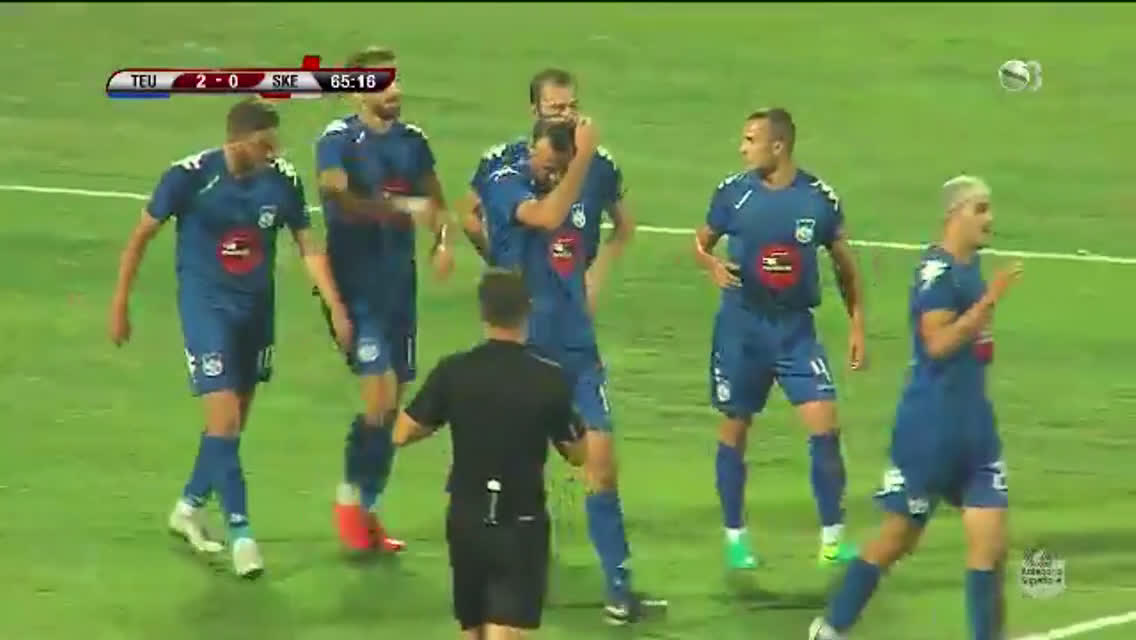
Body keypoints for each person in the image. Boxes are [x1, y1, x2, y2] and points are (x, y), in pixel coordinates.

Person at [108, 98, 352, 578]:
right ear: (238, 141)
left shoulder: (281, 180)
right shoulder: (190, 176)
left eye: (275, 145)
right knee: (223, 421)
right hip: (207, 311)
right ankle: (242, 533)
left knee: (232, 426)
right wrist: (120, 303)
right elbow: (140, 236)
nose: (272, 153)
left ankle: (188, 506)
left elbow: (308, 246)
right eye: (264, 145)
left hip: (256, 314)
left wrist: (336, 306)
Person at [809, 176, 1022, 640]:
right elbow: (938, 343)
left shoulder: (969, 267)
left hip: (975, 432)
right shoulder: (936, 274)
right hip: (929, 432)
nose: (990, 219)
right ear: (955, 214)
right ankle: (831, 626)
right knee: (898, 538)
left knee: (990, 545)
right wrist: (988, 303)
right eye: (980, 209)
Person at [475, 118, 665, 625]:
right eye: (545, 165)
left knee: (601, 466)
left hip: (578, 353)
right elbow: (546, 215)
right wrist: (581, 158)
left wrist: (594, 277)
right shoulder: (505, 180)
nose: (551, 174)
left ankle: (620, 592)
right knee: (515, 472)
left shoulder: (586, 180)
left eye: (559, 168)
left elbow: (614, 228)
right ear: (530, 151)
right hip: (523, 354)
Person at [692, 108, 867, 571]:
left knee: (825, 425)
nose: (742, 148)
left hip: (794, 332)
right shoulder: (733, 193)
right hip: (741, 330)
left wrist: (856, 324)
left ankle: (832, 541)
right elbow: (700, 242)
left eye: (750, 140)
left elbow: (844, 265)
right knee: (734, 429)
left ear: (778, 145)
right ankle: (736, 539)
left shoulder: (817, 199)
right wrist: (711, 265)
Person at [392, 268, 586, 640]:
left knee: (474, 629)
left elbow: (402, 432)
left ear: (483, 312)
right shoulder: (549, 378)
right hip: (521, 519)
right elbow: (577, 453)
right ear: (527, 310)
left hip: (467, 516)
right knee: (506, 630)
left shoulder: (454, 371)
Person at [314, 45, 454, 553]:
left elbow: (437, 203)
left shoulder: (413, 142)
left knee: (392, 408)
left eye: (395, 80)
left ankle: (367, 506)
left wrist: (442, 242)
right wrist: (405, 207)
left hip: (399, 289)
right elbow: (340, 198)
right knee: (378, 399)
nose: (394, 90)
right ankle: (349, 500)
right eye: (381, 83)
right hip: (357, 290)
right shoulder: (336, 141)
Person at [462, 67, 634, 314]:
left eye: (572, 107)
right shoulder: (503, 161)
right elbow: (469, 217)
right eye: (557, 109)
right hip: (519, 299)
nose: (567, 116)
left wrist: (595, 277)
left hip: (570, 296)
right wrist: (497, 263)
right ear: (535, 111)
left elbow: (623, 225)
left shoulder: (601, 165)